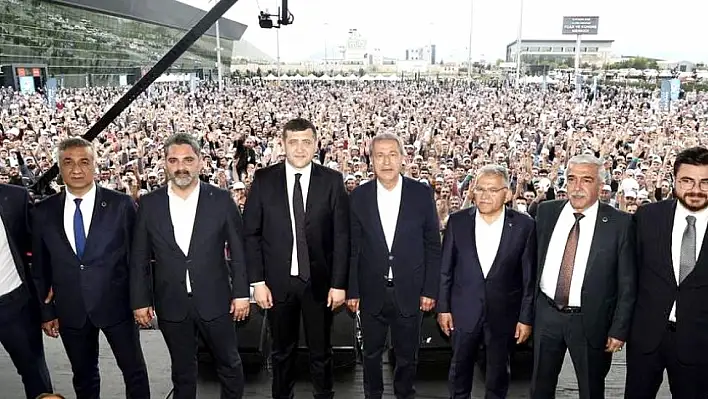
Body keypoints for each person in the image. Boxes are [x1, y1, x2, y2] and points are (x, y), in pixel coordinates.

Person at [130, 133, 250, 399]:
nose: (180, 166)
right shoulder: (149, 203)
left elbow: (240, 251)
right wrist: (140, 300)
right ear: (165, 163)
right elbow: (138, 256)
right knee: (182, 371)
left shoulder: (220, 199)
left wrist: (242, 294)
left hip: (217, 299)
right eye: (173, 160)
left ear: (200, 162)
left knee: (229, 364)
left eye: (187, 159)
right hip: (170, 301)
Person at [31, 137, 149, 399]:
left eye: (84, 161)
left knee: (134, 372)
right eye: (68, 162)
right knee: (84, 376)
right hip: (70, 309)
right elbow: (40, 267)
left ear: (95, 165)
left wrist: (141, 301)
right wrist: (47, 311)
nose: (76, 169)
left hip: (118, 306)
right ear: (59, 167)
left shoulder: (121, 205)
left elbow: (137, 258)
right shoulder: (42, 211)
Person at [242, 118, 350, 399]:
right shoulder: (264, 179)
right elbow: (251, 233)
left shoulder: (332, 181)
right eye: (293, 142)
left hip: (320, 283)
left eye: (306, 142)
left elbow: (342, 236)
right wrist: (258, 282)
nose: (300, 149)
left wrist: (339, 284)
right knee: (281, 352)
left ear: (316, 144)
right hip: (277, 283)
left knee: (321, 351)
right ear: (283, 145)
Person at [530, 154, 636, 399]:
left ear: (601, 186)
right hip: (546, 314)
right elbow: (532, 265)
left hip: (591, 320)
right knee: (539, 387)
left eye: (586, 180)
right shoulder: (546, 213)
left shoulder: (620, 223)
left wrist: (619, 329)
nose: (577, 188)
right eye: (571, 179)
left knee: (591, 388)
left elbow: (627, 282)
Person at [346, 132, 441, 399]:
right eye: (379, 155)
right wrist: (352, 290)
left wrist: (430, 290)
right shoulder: (359, 197)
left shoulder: (421, 194)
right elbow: (353, 248)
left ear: (402, 158)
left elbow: (433, 246)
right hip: (371, 290)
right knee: (370, 355)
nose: (386, 161)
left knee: (407, 356)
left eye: (392, 154)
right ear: (371, 161)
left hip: (411, 291)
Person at [437, 164, 537, 399]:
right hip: (463, 311)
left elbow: (528, 277)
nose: (484, 195)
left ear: (507, 194)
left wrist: (525, 317)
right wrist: (444, 308)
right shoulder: (458, 221)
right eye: (480, 189)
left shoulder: (525, 225)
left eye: (492, 190)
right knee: (459, 370)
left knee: (498, 374)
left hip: (504, 313)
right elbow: (445, 270)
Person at [625, 146, 708, 398]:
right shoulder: (647, 217)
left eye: (705, 182)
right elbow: (631, 274)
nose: (695, 189)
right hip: (646, 338)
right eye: (687, 180)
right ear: (674, 180)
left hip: (700, 343)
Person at [0, 183, 52, 399]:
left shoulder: (14, 197)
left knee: (34, 373)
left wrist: (52, 280)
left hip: (15, 303)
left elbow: (40, 244)